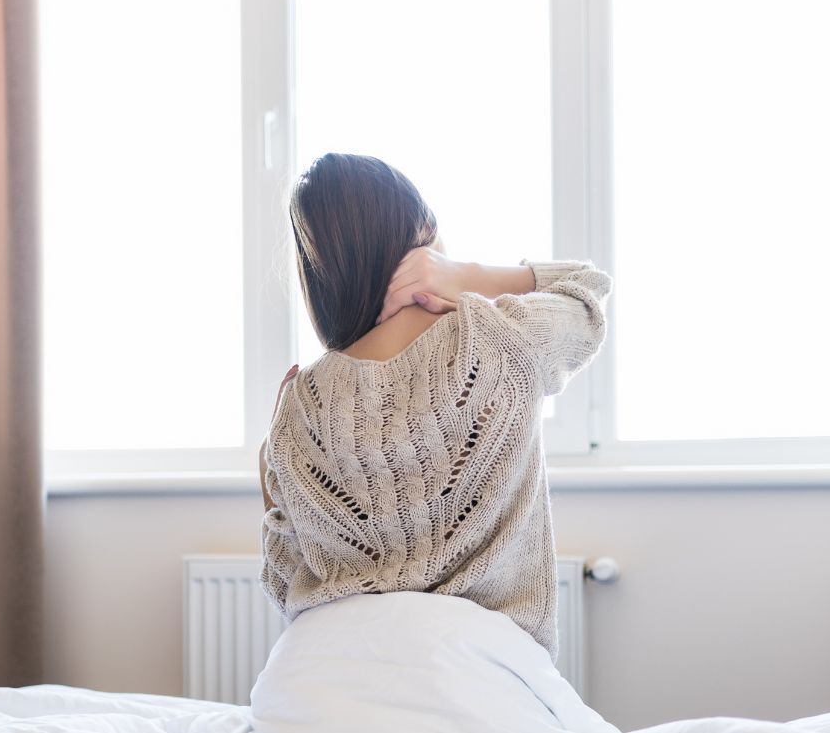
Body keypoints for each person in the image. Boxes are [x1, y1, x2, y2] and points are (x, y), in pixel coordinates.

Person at [258, 152, 612, 666]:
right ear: (424, 234)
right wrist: (465, 274)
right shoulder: (498, 339)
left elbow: (288, 586)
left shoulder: (298, 405)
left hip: (324, 682)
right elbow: (586, 289)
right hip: (479, 680)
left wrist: (269, 489)